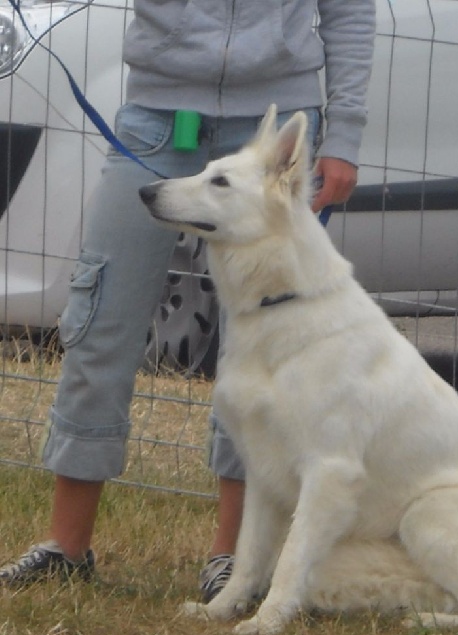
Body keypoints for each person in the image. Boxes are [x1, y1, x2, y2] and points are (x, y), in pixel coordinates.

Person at [0, 0, 376, 604]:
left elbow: (349, 12)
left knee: (257, 352)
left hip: (272, 133)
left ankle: (232, 563)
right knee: (101, 322)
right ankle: (65, 549)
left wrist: (346, 135)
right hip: (154, 115)